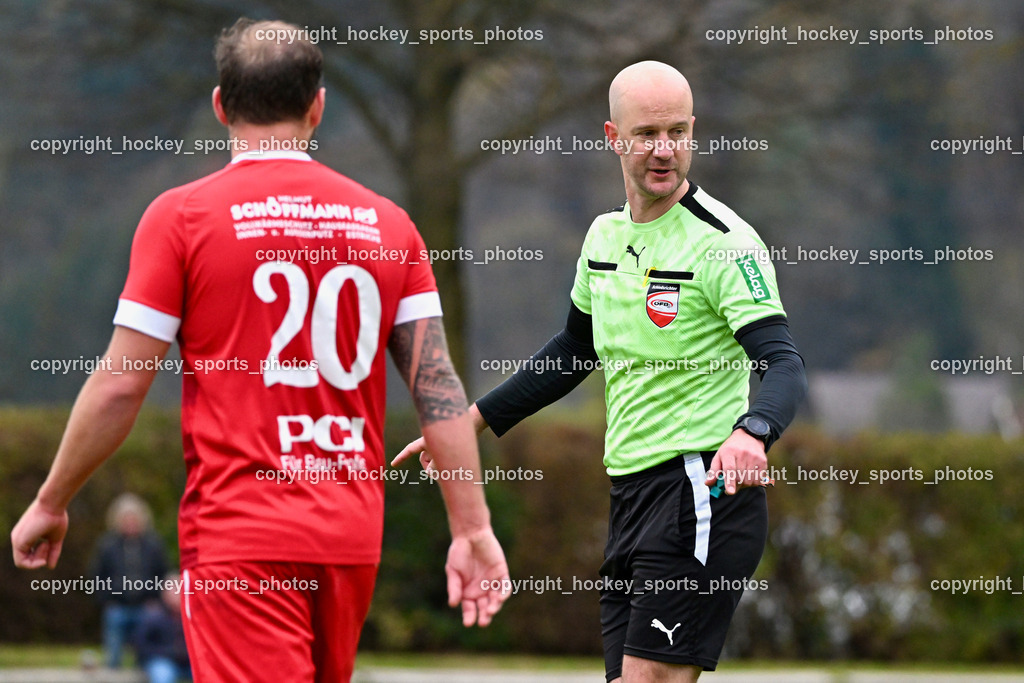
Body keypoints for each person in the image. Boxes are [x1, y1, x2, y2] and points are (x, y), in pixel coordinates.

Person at [11, 17, 509, 683]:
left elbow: (122, 382)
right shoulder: (390, 224)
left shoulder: (182, 217)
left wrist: (51, 499)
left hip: (240, 534)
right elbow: (438, 387)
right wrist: (472, 529)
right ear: (317, 107)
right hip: (349, 539)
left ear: (220, 106)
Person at [395, 61, 807, 682]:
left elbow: (782, 361)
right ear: (614, 137)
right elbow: (572, 353)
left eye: (677, 132)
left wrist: (753, 431)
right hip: (630, 494)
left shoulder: (726, 243)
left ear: (693, 131)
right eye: (647, 134)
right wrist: (468, 423)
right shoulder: (603, 238)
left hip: (700, 491)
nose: (664, 150)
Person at [89, 493, 168, 669]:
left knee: (145, 652)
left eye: (134, 518)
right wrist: (106, 599)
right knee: (114, 651)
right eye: (126, 519)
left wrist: (156, 600)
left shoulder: (153, 545)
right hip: (117, 605)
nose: (130, 523)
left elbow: (163, 575)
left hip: (146, 605)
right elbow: (97, 576)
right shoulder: (107, 545)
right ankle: (112, 673)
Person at [135, 572, 191, 683]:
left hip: (188, 663)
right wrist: (169, 653)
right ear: (164, 593)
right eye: (172, 590)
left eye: (179, 589)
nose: (176, 593)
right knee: (163, 675)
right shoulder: (153, 615)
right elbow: (140, 645)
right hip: (163, 661)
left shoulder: (193, 616)